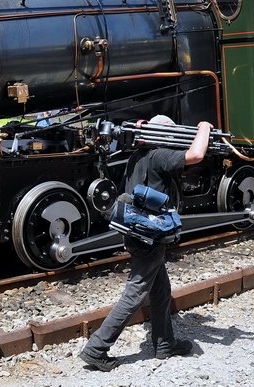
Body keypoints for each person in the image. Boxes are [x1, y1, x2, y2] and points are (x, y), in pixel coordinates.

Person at [79, 114, 214, 371]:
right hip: (150, 236)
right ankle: (96, 349)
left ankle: (165, 343)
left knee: (161, 289)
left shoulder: (136, 157)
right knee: (135, 293)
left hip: (137, 232)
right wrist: (204, 126)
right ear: (164, 135)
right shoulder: (160, 155)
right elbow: (196, 155)